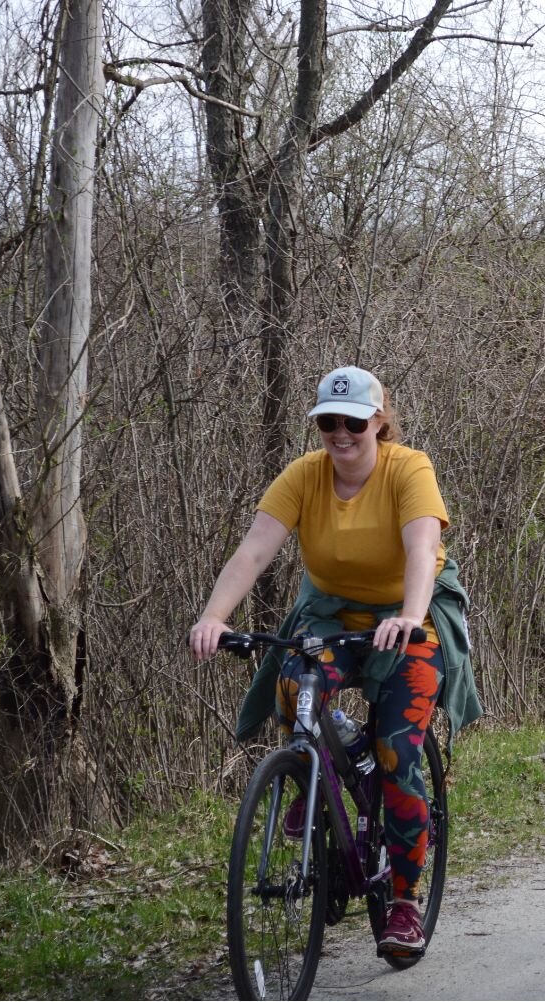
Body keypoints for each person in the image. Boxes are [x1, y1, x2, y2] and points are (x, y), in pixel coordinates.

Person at [189, 365, 481, 961]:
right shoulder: (304, 476)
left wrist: (408, 612)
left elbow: (423, 548)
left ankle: (404, 901)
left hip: (409, 618)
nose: (341, 434)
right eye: (328, 423)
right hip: (330, 615)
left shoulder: (409, 469)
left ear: (379, 422)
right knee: (292, 685)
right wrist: (214, 617)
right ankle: (317, 776)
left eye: (353, 422)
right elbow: (255, 548)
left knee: (399, 747)